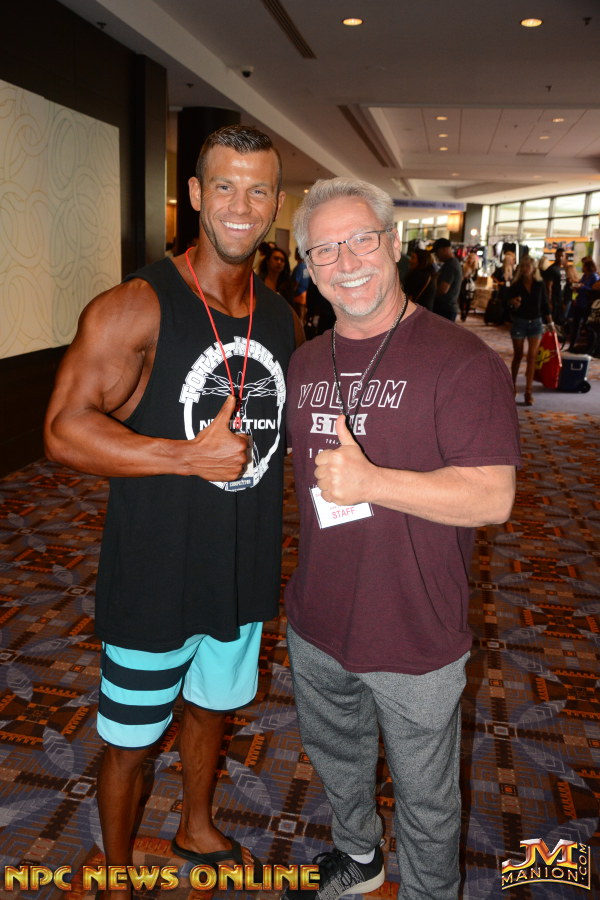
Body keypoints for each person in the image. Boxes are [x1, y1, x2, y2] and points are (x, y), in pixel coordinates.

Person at [44, 124, 303, 897]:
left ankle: (194, 824)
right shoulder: (135, 305)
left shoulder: (281, 316)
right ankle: (117, 871)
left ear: (276, 204)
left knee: (211, 710)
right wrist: (184, 455)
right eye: (224, 186)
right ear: (195, 194)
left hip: (238, 566)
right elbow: (62, 430)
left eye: (257, 190)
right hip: (155, 573)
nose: (240, 206)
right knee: (130, 738)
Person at [283, 177, 521, 900]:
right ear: (308, 265)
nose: (347, 261)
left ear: (393, 244)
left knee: (427, 799)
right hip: (319, 618)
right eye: (326, 249)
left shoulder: (460, 359)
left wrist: (373, 482)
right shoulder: (304, 362)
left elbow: (493, 496)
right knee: (337, 758)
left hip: (416, 630)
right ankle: (359, 856)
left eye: (362, 239)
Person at [506, 256, 553, 405]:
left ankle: (528, 391)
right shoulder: (516, 285)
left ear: (534, 268)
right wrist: (513, 302)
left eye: (528, 266)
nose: (526, 268)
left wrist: (550, 321)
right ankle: (512, 387)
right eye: (523, 266)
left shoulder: (539, 284)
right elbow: (506, 301)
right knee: (518, 355)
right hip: (520, 321)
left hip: (536, 323)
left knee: (532, 357)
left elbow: (544, 304)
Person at [567, 257, 599, 352]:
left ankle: (590, 347)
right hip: (580, 303)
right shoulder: (585, 276)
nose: (582, 267)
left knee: (587, 326)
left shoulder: (594, 276)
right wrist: (576, 287)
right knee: (575, 325)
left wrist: (583, 287)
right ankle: (572, 346)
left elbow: (594, 290)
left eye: (583, 265)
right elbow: (581, 285)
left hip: (587, 304)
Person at [432, 238, 462, 320]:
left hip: (445, 309)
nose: (436, 255)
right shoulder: (452, 263)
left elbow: (443, 289)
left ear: (444, 249)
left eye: (437, 252)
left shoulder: (450, 265)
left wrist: (430, 295)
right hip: (448, 308)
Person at [542, 247, 569, 325]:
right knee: (551, 323)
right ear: (555, 256)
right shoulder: (552, 269)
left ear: (565, 257)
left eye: (562, 256)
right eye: (558, 256)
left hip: (560, 301)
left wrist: (564, 300)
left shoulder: (562, 269)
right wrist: (549, 302)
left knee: (559, 323)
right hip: (554, 301)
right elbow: (548, 287)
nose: (560, 258)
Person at [459, 250, 479, 321]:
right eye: (470, 258)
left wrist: (470, 277)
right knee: (461, 299)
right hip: (463, 284)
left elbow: (475, 278)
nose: (471, 260)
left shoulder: (475, 268)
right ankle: (462, 311)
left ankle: (465, 314)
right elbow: (461, 275)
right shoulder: (464, 266)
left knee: (468, 301)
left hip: (471, 286)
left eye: (472, 258)